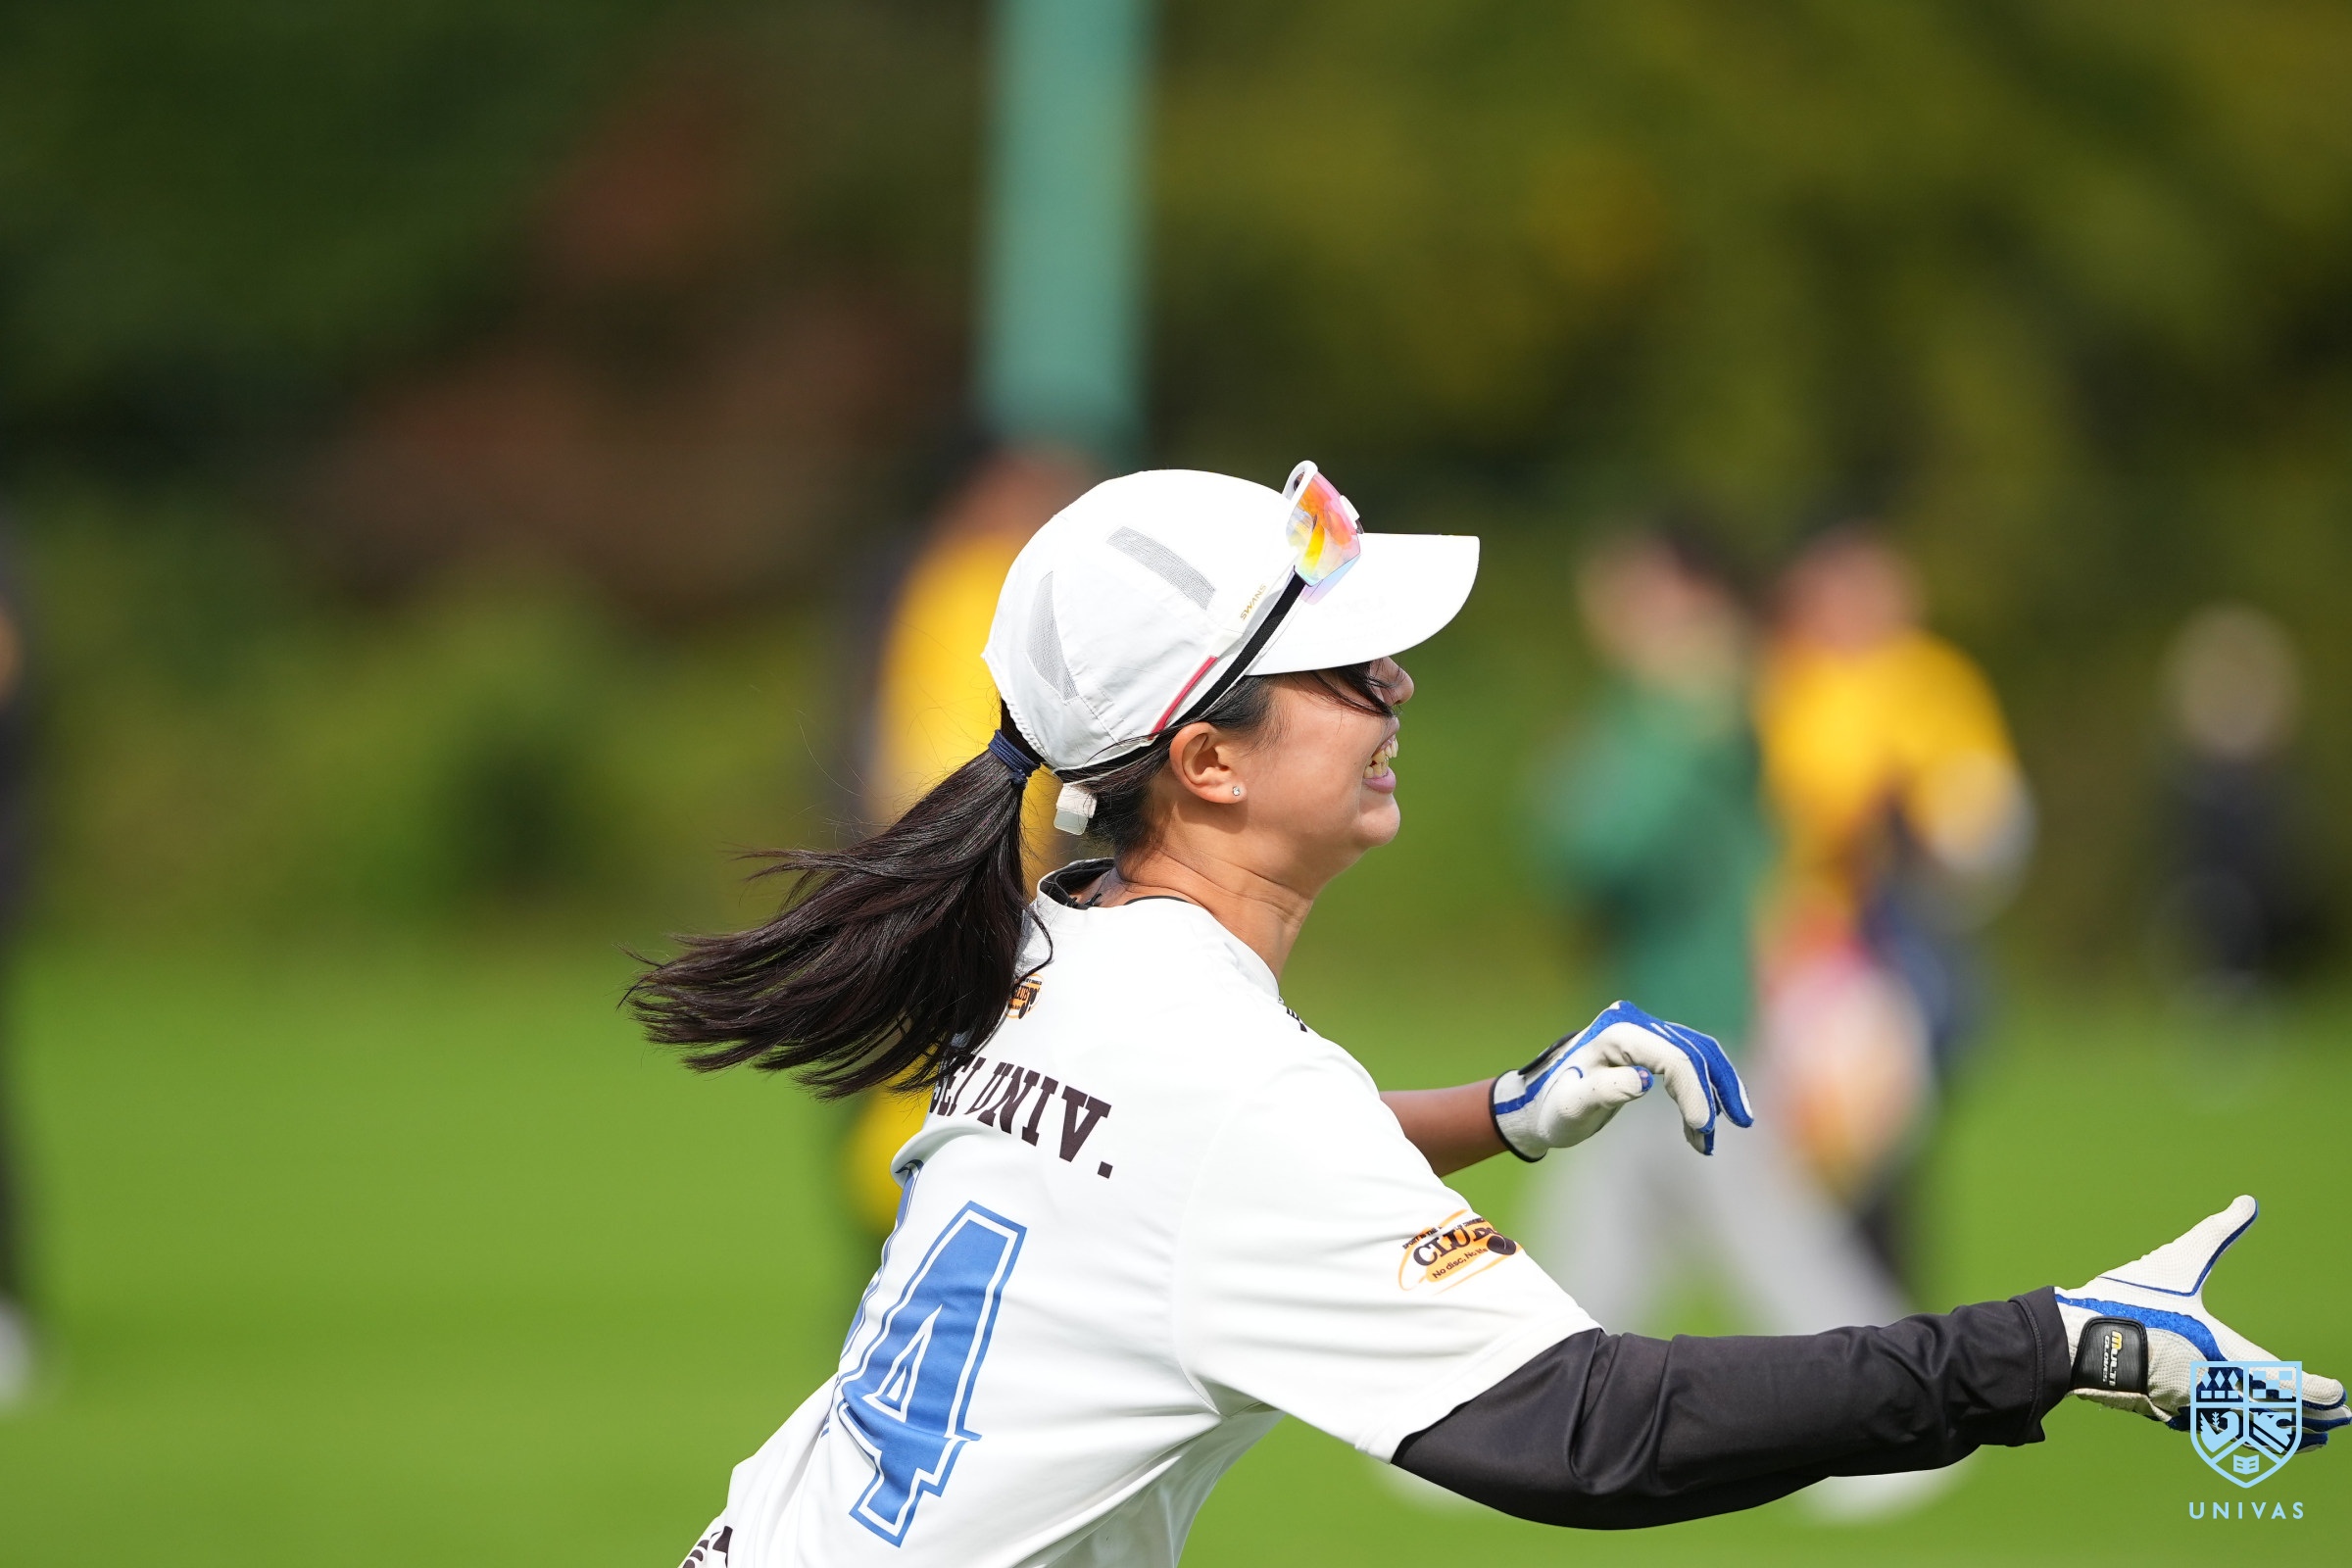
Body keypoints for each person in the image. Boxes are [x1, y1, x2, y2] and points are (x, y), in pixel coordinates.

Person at [633, 467, 2340, 1566]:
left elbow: (1179, 1174)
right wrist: (2052, 1346)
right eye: (1346, 670)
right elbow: (1592, 1438)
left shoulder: (1057, 943)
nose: (1399, 688)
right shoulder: (1213, 1075)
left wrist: (1500, 1114)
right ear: (1205, 761)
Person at [1521, 532, 1911, 1477]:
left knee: (1776, 1244)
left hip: (1699, 1016)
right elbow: (1566, 837)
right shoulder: (1662, 709)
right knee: (1600, 1241)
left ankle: (1897, 1423)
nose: (1610, 614)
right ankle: (1521, 1418)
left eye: (1629, 591)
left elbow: (1599, 843)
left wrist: (1601, 774)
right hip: (1655, 1016)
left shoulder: (1696, 709)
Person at [1752, 526, 2032, 1290]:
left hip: (1901, 941)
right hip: (1804, 942)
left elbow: (1986, 821)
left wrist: (1923, 827)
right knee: (1819, 1153)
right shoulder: (1782, 681)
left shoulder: (1936, 680)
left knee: (1873, 1144)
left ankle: (1870, 1315)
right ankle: (1860, 1319)